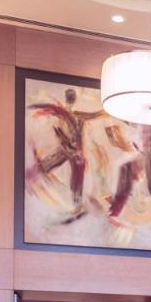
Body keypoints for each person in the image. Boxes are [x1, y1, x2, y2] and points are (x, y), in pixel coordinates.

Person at [26, 87, 105, 223]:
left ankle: (78, 204)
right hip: (71, 153)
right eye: (70, 99)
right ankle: (77, 203)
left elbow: (94, 115)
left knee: (71, 174)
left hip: (74, 154)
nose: (70, 102)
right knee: (48, 167)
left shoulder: (73, 115)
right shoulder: (66, 114)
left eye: (71, 99)